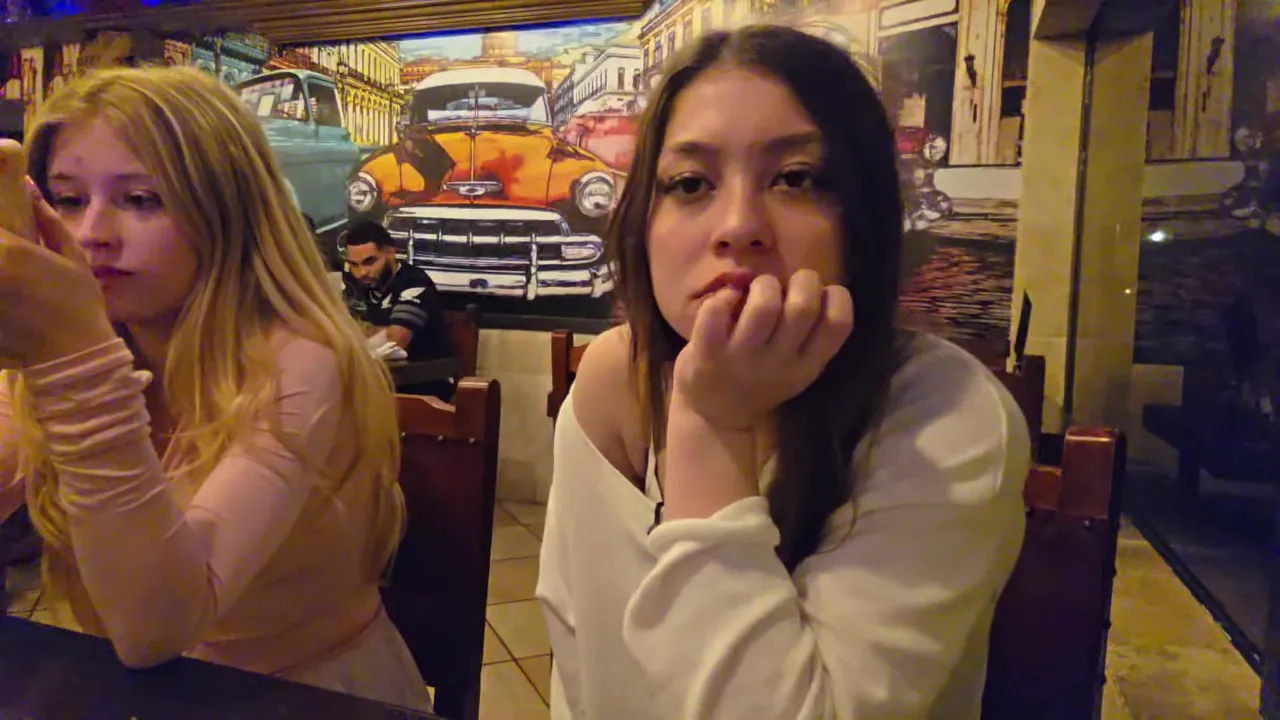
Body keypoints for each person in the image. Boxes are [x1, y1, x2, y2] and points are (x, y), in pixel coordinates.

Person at [536, 25, 1030, 719]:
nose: (739, 225)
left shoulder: (946, 415)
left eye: (795, 178)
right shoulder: (615, 378)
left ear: (861, 219)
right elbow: (589, 675)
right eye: (690, 183)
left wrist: (712, 425)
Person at [0, 66, 431, 711]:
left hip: (306, 697)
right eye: (67, 200)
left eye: (141, 199)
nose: (92, 233)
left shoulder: (302, 357)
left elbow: (155, 628)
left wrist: (74, 360)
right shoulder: (80, 342)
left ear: (231, 211)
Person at [341, 219, 454, 399]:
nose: (362, 273)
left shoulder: (414, 281)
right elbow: (341, 327)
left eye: (370, 262)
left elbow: (395, 340)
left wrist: (360, 329)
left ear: (390, 253)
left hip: (424, 385)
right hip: (376, 380)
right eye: (354, 265)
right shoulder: (352, 278)